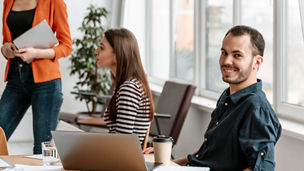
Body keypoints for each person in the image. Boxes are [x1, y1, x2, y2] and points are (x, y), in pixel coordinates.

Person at [147, 25, 281, 171]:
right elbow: (207, 152)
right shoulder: (227, 96)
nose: (226, 61)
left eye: (237, 55)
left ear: (257, 62)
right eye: (224, 53)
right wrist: (167, 164)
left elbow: (262, 168)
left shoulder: (256, 107)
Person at [0, 0, 72, 154]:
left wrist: (36, 53)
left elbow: (66, 46)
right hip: (15, 79)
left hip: (46, 83)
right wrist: (6, 48)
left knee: (42, 150)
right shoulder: (8, 1)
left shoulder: (55, 2)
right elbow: (6, 41)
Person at [95, 28, 154, 146]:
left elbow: (121, 144)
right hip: (118, 158)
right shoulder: (127, 85)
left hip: (120, 162)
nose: (96, 51)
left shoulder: (129, 89)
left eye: (102, 47)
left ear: (118, 54)